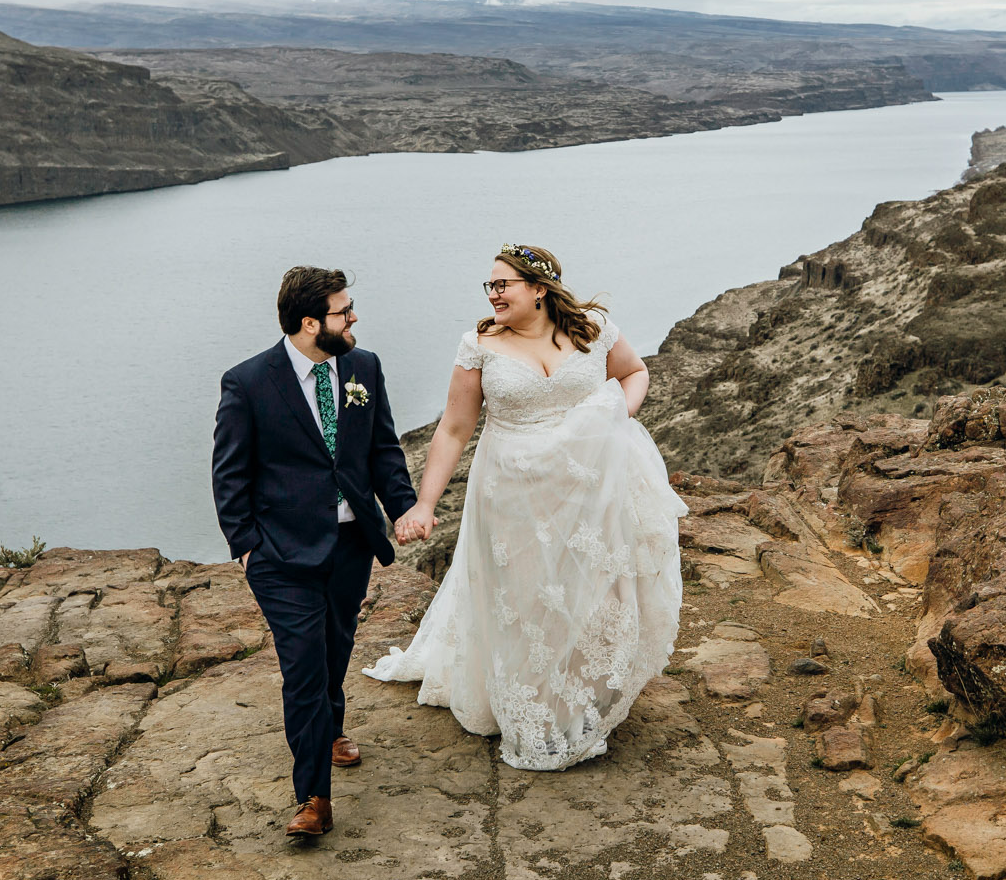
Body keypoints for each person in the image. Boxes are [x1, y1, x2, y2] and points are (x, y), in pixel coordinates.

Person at [366, 245, 686, 770]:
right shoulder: (480, 346)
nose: (492, 294)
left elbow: (634, 373)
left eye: (502, 284)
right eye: (488, 286)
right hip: (511, 491)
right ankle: (530, 711)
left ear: (539, 289)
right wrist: (424, 504)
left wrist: (611, 424)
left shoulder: (592, 328)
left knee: (590, 588)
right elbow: (453, 428)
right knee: (528, 598)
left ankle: (579, 701)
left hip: (587, 488)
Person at [211, 266, 427, 840]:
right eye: (343, 310)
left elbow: (382, 448)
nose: (353, 317)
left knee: (335, 646)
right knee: (303, 667)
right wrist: (248, 549)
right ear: (310, 323)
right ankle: (313, 798)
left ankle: (329, 728)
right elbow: (229, 476)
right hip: (281, 555)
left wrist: (403, 507)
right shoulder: (249, 383)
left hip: (352, 543)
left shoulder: (364, 367)